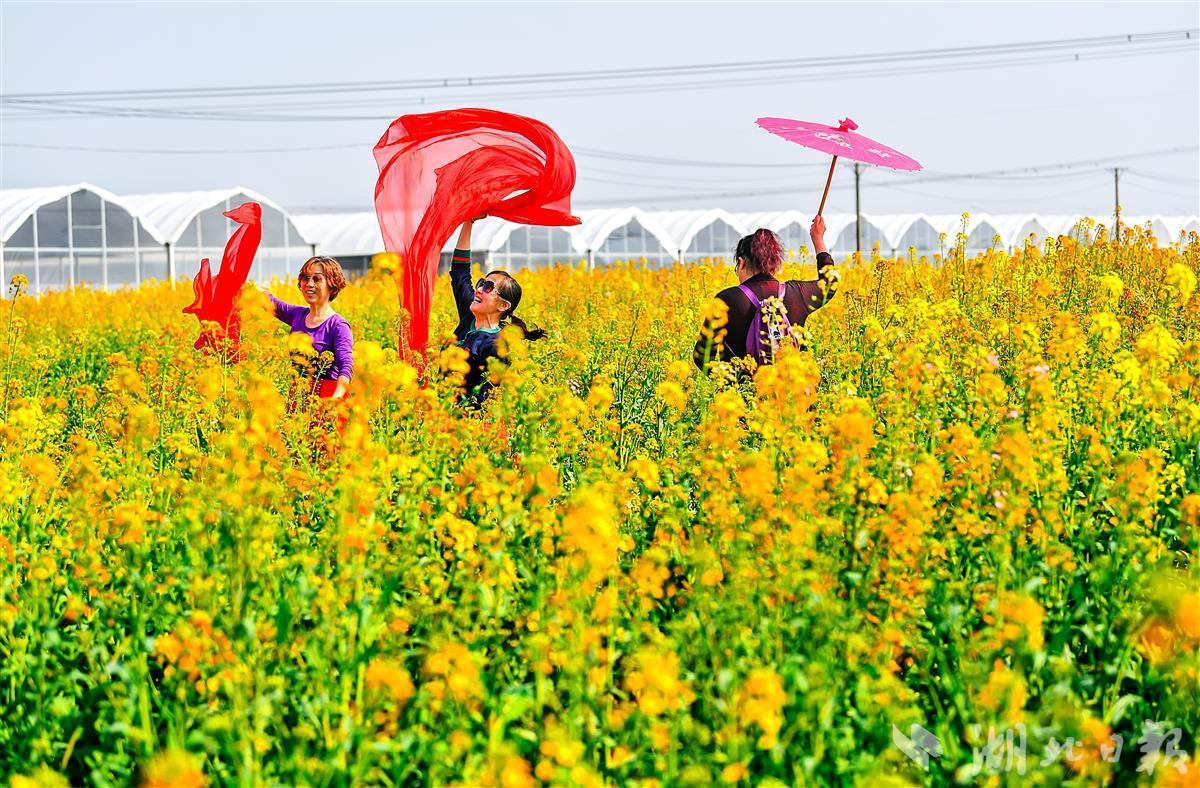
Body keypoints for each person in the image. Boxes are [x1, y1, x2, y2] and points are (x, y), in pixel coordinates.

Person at [693, 216, 837, 369]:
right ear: (775, 265)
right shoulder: (796, 294)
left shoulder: (726, 300)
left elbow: (702, 357)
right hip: (791, 389)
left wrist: (725, 381)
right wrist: (818, 238)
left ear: (741, 263)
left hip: (740, 392)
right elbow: (830, 283)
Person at [449, 216, 546, 404]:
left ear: (503, 305)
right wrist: (468, 222)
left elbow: (489, 399)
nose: (478, 289)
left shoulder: (496, 345)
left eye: (488, 288)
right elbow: (460, 273)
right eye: (481, 283)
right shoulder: (469, 316)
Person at [255, 255, 354, 400]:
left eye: (317, 279)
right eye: (305, 278)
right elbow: (269, 301)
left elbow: (346, 367)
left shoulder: (338, 326)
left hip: (327, 399)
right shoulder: (298, 314)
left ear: (332, 285)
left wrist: (336, 399)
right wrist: (239, 280)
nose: (309, 284)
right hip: (298, 397)